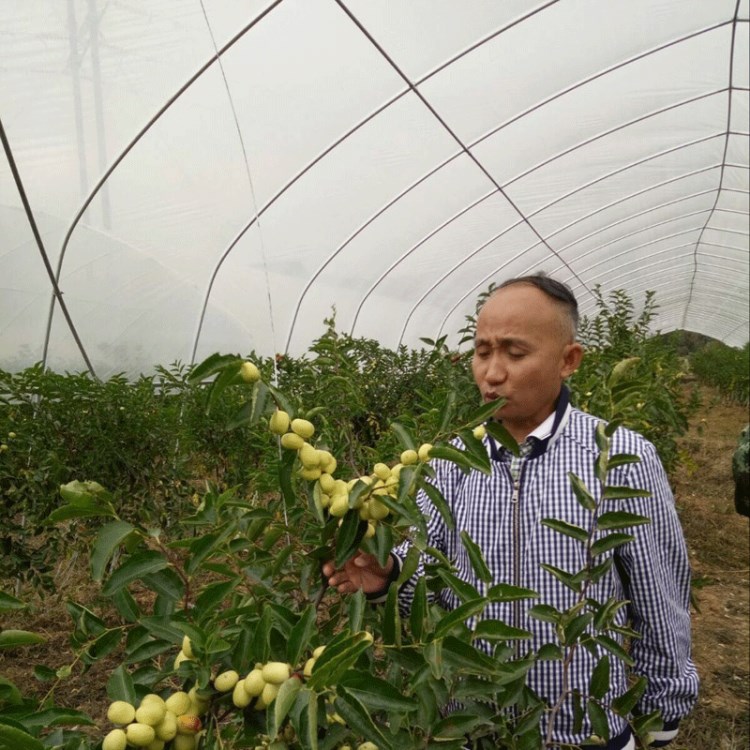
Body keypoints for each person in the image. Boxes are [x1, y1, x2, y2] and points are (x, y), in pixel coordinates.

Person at [323, 274, 698, 749]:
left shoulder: (617, 457)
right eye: (482, 352)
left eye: (514, 354)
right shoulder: (450, 461)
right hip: (471, 729)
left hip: (584, 734)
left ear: (569, 361)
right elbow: (428, 578)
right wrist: (387, 575)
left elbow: (658, 600)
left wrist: (659, 718)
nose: (492, 373)